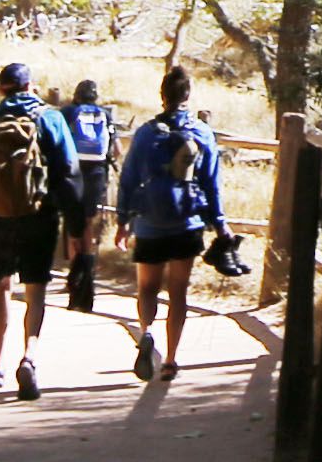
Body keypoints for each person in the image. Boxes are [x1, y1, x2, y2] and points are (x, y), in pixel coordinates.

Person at [0, 59, 82, 396]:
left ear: (1, 89)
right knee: (35, 290)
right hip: (40, 216)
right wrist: (76, 228)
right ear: (31, 86)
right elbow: (69, 174)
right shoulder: (50, 118)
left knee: (0, 287)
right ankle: (29, 356)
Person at [113, 66, 224, 382]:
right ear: (187, 95)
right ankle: (172, 359)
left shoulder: (147, 133)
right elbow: (212, 183)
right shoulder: (201, 132)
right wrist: (220, 223)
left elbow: (129, 178)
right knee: (178, 292)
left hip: (149, 222)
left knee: (147, 288)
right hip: (186, 223)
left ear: (162, 96)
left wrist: (123, 220)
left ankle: (147, 331)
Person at [58, 75, 119, 315]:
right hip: (96, 171)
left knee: (73, 224)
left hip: (73, 169)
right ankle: (87, 275)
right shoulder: (105, 114)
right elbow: (114, 147)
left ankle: (75, 272)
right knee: (88, 223)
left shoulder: (68, 112)